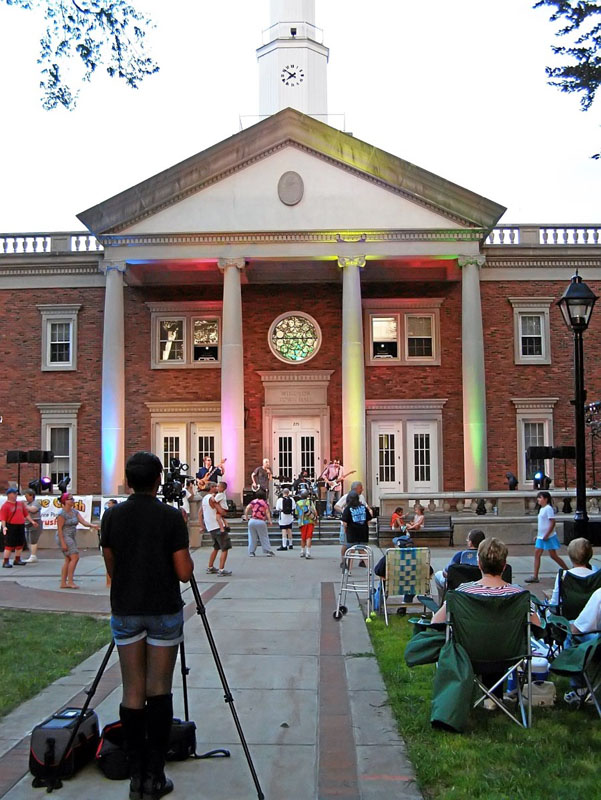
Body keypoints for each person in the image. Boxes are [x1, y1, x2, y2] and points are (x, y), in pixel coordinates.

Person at [101, 451, 194, 800]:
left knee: (132, 691)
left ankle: (136, 777)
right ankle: (155, 776)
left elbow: (111, 565)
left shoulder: (112, 516)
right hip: (162, 610)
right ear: (158, 481)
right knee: (159, 690)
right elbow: (183, 572)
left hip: (126, 608)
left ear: (128, 482)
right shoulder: (170, 517)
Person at [432, 537, 540, 709]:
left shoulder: (461, 593)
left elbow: (436, 621)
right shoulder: (520, 595)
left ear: (479, 565)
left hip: (469, 653)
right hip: (509, 654)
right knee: (497, 638)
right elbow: (537, 626)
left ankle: (476, 697)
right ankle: (494, 698)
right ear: (504, 566)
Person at [55, 491, 99, 589]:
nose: (72, 500)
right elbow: (59, 529)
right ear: (65, 501)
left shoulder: (74, 512)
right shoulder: (61, 514)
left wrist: (92, 525)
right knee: (75, 557)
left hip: (71, 536)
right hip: (64, 536)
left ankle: (63, 583)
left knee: (68, 559)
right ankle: (70, 581)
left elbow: (83, 522)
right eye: (70, 499)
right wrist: (63, 543)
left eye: (73, 499)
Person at [525, 490, 568, 583]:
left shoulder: (548, 509)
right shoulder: (542, 509)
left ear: (546, 499)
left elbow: (552, 522)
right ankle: (535, 576)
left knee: (553, 555)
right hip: (542, 537)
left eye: (540, 498)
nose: (538, 499)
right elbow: (542, 524)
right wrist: (538, 535)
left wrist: (547, 534)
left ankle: (567, 570)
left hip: (548, 536)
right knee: (538, 554)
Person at [433, 529, 486, 604]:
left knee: (437, 575)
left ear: (470, 543)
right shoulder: (485, 556)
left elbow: (446, 573)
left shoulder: (460, 555)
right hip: (479, 585)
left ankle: (442, 603)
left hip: (459, 586)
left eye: (468, 540)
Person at [549, 537, 599, 607]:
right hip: (592, 611)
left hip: (569, 612)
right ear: (590, 555)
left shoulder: (563, 575)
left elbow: (555, 602)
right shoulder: (596, 574)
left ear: (570, 556)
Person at [334, 481, 371, 568]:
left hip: (355, 528)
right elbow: (336, 506)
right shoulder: (346, 498)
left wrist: (369, 510)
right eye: (361, 488)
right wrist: (344, 512)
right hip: (351, 527)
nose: (362, 489)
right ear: (356, 488)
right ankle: (344, 561)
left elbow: (366, 507)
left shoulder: (361, 498)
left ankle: (359, 563)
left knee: (355, 549)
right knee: (347, 545)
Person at [1, 487, 38, 568]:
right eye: (14, 493)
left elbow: (26, 514)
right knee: (9, 545)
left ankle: (17, 559)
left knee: (20, 544)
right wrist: (4, 527)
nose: (16, 495)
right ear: (9, 495)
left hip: (20, 525)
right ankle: (6, 561)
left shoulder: (20, 504)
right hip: (11, 526)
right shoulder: (5, 506)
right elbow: (3, 518)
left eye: (16, 493)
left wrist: (32, 521)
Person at [203, 482, 232, 576]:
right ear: (211, 488)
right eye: (215, 486)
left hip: (210, 527)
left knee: (216, 547)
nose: (216, 488)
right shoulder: (212, 498)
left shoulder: (204, 499)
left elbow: (200, 512)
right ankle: (221, 569)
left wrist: (202, 525)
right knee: (225, 548)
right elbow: (221, 511)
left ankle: (210, 566)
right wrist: (223, 512)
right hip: (217, 526)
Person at [243, 489, 275, 556]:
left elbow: (247, 508)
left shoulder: (253, 501)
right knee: (263, 536)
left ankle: (251, 552)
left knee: (252, 537)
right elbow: (267, 512)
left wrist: (246, 517)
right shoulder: (264, 503)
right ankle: (267, 551)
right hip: (260, 521)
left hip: (252, 520)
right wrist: (270, 521)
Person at [23, 488, 43, 563]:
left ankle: (33, 556)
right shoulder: (27, 503)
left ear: (31, 496)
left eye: (27, 496)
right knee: (28, 540)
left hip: (35, 523)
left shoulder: (36, 503)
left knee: (33, 540)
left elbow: (33, 510)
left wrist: (24, 506)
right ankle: (32, 555)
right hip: (27, 523)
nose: (26, 498)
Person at [296, 490, 317, 559]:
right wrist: (315, 518)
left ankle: (302, 551)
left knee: (303, 537)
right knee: (309, 537)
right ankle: (308, 552)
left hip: (302, 522)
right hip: (310, 521)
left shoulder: (298, 503)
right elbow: (314, 511)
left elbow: (296, 513)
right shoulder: (310, 502)